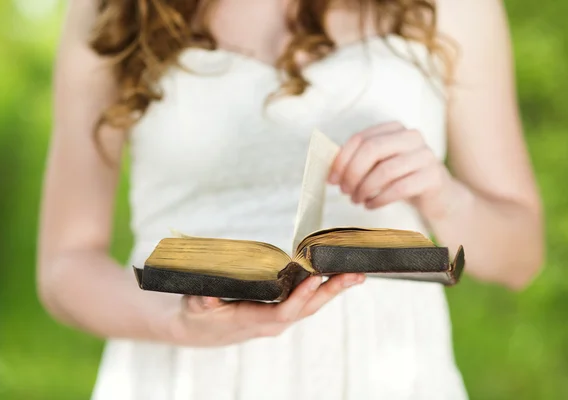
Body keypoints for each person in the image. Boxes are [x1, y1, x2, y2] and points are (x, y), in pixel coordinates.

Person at [37, 0, 544, 399]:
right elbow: (65, 264)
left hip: (387, 373)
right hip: (182, 373)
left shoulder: (455, 6)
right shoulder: (115, 8)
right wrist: (179, 323)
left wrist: (443, 195)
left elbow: (521, 256)